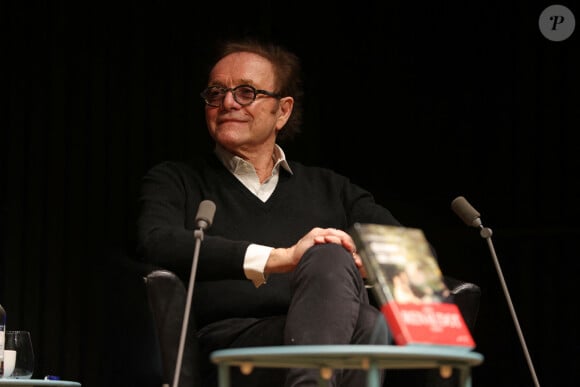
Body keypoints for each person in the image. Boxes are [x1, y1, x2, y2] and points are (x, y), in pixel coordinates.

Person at [136, 37, 405, 387]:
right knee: (363, 317)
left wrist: (362, 262)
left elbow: (403, 248)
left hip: (325, 336)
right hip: (230, 346)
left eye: (246, 92)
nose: (228, 102)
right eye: (215, 93)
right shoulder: (178, 180)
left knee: (339, 270)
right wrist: (280, 258)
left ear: (283, 110)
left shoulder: (330, 187)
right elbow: (156, 242)